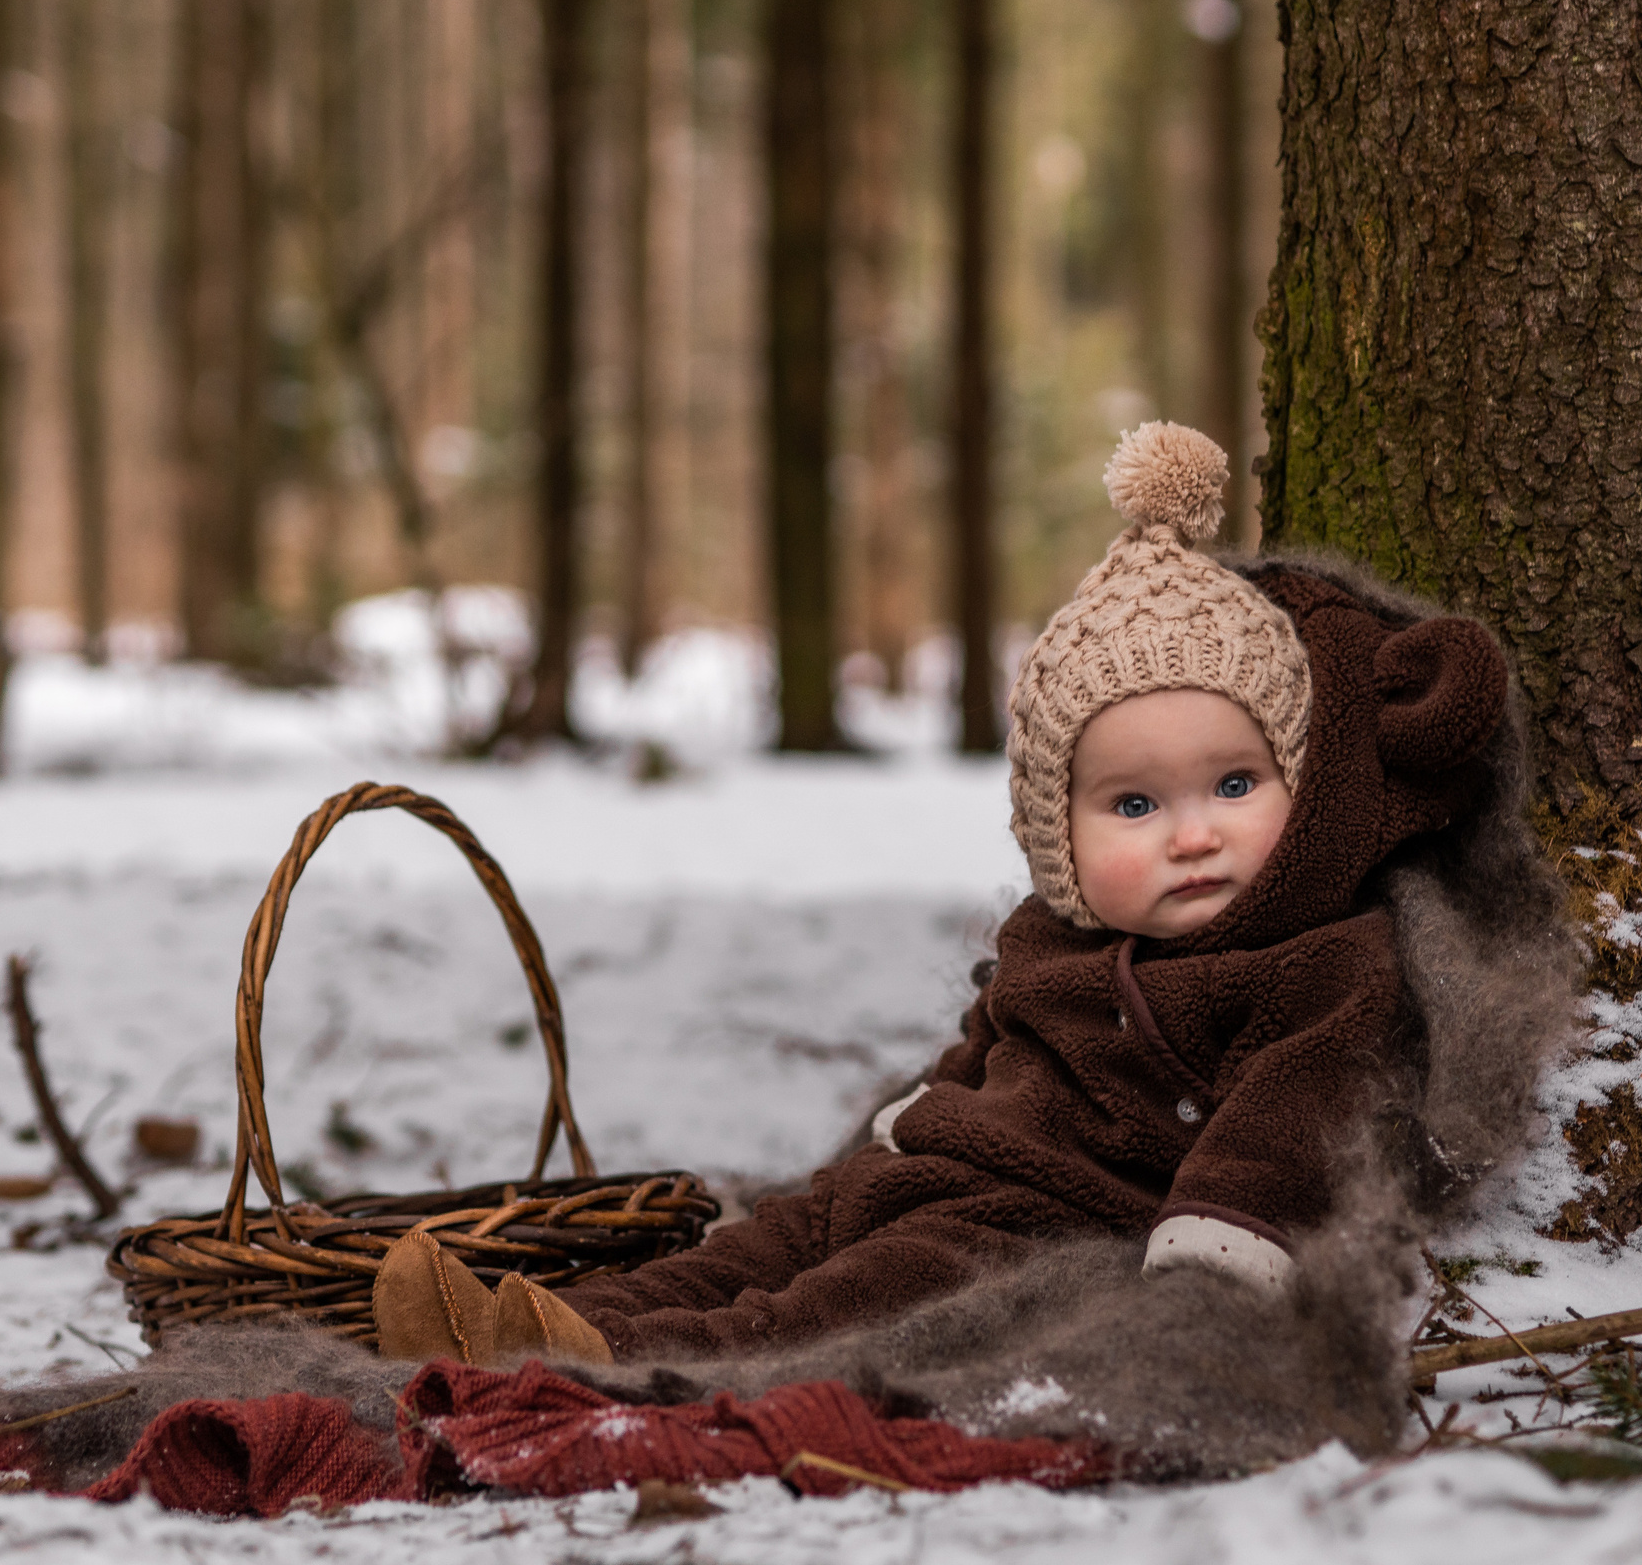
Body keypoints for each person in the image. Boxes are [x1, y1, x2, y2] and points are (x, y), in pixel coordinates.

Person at [374, 422, 1536, 1367]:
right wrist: (910, 1118)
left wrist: (1213, 1253)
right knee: (764, 1241)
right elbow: (993, 1037)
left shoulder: (1317, 959)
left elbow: (1293, 1114)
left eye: (1233, 785)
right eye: (1135, 805)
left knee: (829, 1304)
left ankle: (604, 1362)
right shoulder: (1054, 934)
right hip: (932, 1159)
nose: (1192, 835)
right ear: (1059, 835)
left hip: (1033, 1217)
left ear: (1301, 782)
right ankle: (546, 1317)